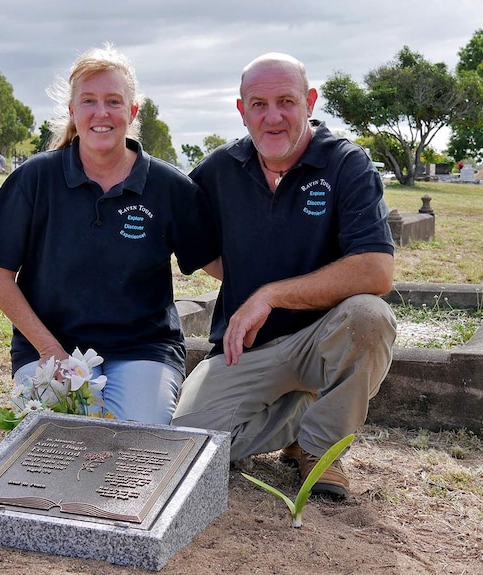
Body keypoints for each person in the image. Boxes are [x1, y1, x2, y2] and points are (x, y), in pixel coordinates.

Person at [170, 53, 397, 499]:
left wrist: (269, 295)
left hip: (322, 342)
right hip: (248, 348)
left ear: (309, 102)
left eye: (286, 102)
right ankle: (297, 418)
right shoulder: (220, 170)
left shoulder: (346, 164)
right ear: (241, 110)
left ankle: (319, 448)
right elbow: (190, 242)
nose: (273, 117)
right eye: (258, 104)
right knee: (189, 443)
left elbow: (377, 268)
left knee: (370, 317)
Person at [0, 43, 219, 425]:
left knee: (139, 441)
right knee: (58, 439)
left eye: (114, 101)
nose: (101, 113)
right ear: (73, 111)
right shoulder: (35, 179)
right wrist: (49, 349)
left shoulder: (169, 187)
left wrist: (287, 284)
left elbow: (216, 263)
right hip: (52, 349)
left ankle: (165, 379)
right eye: (88, 101)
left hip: (142, 348)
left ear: (132, 111)